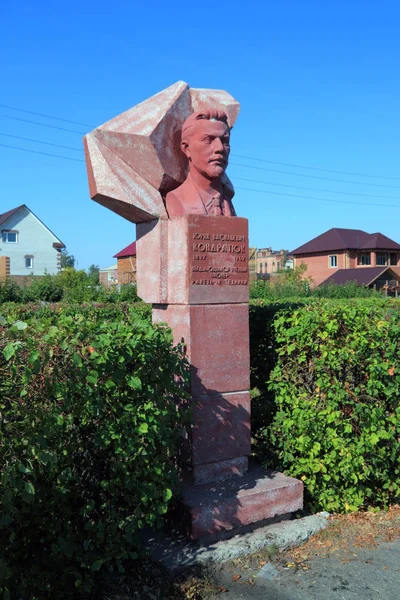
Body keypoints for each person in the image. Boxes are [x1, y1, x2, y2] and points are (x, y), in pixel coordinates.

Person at [165, 109, 236, 217]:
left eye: (224, 141)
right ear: (187, 148)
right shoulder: (177, 199)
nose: (220, 148)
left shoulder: (228, 202)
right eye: (208, 140)